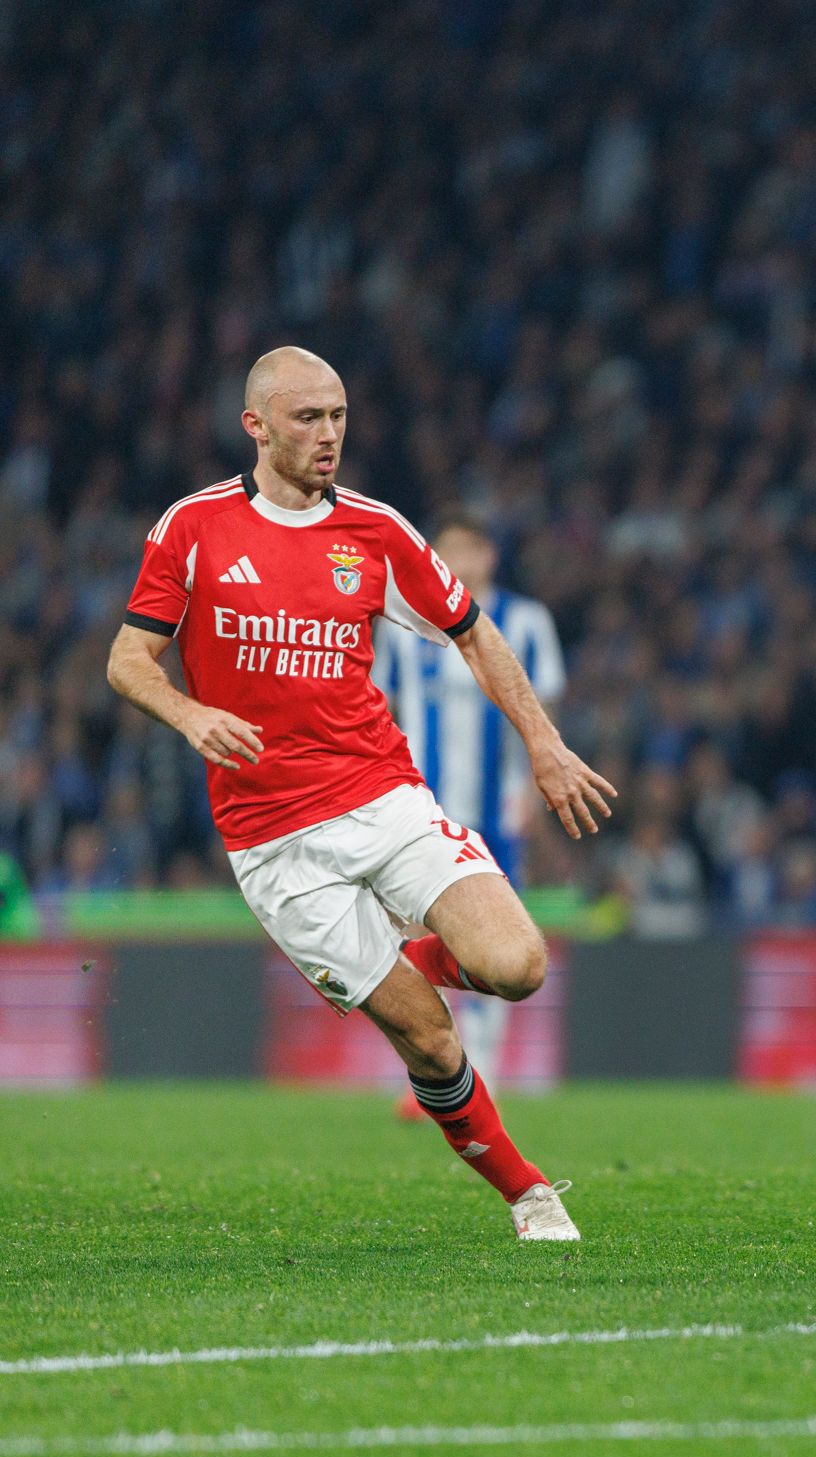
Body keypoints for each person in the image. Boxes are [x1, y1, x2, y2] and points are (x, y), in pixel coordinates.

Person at [106, 347, 616, 1242]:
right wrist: (190, 717)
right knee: (426, 1038)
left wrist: (545, 744)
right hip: (273, 841)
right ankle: (528, 1192)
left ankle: (405, 967)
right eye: (308, 418)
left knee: (518, 967)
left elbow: (473, 631)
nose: (330, 435)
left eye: (339, 416)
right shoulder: (193, 527)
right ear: (256, 427)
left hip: (384, 796)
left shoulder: (376, 532)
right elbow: (125, 661)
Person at [374, 514, 567, 1096]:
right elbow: (380, 703)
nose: (457, 561)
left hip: (499, 804)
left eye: (468, 549)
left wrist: (537, 785)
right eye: (446, 549)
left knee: (498, 929)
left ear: (489, 555)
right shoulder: (403, 622)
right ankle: (437, 1058)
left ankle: (485, 1060)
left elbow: (543, 706)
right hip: (419, 803)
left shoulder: (527, 622)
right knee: (414, 928)